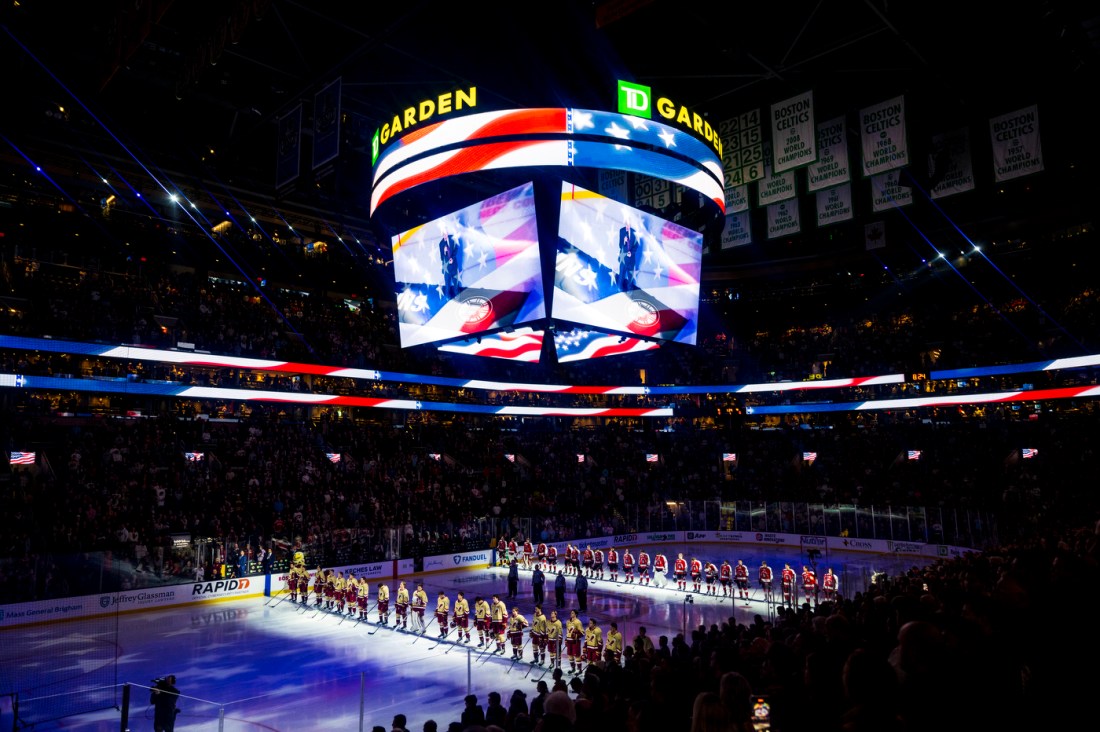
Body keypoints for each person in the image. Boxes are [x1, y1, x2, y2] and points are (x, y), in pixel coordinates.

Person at [617, 219, 641, 291]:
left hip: (631, 259)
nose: (627, 226)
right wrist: (624, 242)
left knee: (630, 275)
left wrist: (631, 253)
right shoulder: (622, 231)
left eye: (629, 224)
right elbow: (620, 245)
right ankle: (620, 287)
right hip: (623, 258)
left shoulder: (635, 233)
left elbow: (636, 245)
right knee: (622, 274)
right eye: (626, 224)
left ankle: (630, 289)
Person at [439, 226, 462, 299]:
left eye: (446, 234)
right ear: (442, 234)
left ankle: (457, 294)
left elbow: (456, 249)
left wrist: (452, 257)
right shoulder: (441, 244)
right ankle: (447, 296)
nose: (445, 236)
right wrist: (444, 251)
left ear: (447, 233)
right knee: (447, 284)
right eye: (443, 234)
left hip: (454, 266)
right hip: (446, 268)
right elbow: (442, 258)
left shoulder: (452, 238)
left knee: (456, 283)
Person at [565, 609, 584, 675]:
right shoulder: (568, 622)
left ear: (575, 614)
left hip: (575, 642)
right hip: (569, 641)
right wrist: (566, 639)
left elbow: (582, 633)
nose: (571, 614)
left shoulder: (578, 622)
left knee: (577, 655)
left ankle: (579, 670)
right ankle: (573, 668)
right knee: (570, 655)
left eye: (572, 613)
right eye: (571, 613)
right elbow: (567, 632)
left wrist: (576, 635)